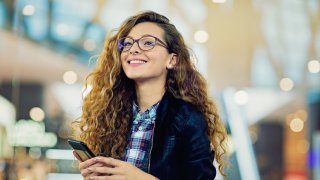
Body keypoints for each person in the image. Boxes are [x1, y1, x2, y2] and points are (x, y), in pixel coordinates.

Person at [72, 10, 228, 180]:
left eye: (148, 43)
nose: (133, 50)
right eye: (128, 44)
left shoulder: (188, 119)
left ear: (172, 60)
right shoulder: (110, 115)